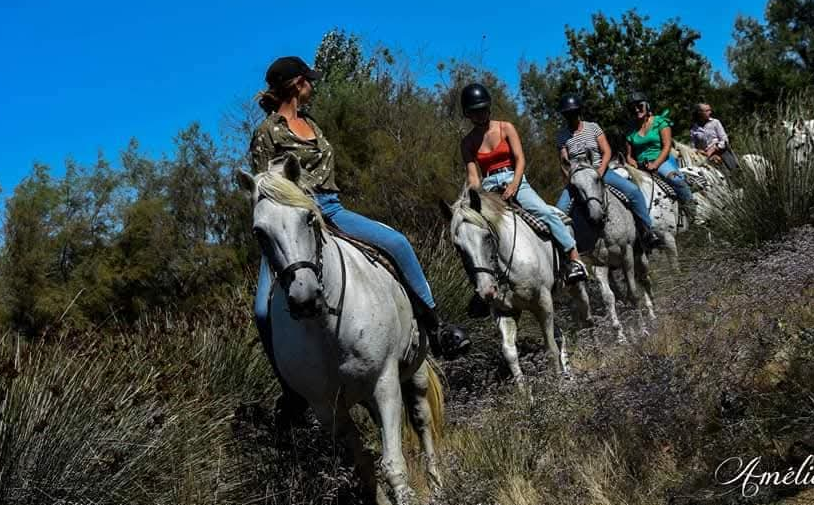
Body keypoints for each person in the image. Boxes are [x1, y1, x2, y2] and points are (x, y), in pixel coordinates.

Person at [249, 56, 470, 422]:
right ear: (296, 84)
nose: (313, 86)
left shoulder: (312, 124)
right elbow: (265, 189)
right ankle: (292, 392)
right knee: (261, 311)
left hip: (331, 209)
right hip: (290, 227)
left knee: (398, 243)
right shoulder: (267, 132)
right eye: (309, 81)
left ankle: (437, 326)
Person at [459, 83, 588, 285]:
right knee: (476, 230)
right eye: (474, 111)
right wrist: (475, 197)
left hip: (514, 178)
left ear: (489, 107)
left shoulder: (506, 128)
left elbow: (520, 159)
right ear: (468, 113)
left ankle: (574, 259)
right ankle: (486, 280)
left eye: (482, 109)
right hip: (490, 187)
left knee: (544, 212)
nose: (479, 114)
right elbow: (473, 176)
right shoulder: (467, 142)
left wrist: (514, 185)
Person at [554, 94, 663, 250]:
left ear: (579, 112)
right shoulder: (562, 136)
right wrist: (570, 178)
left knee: (633, 191)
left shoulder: (593, 127)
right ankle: (568, 253)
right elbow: (564, 161)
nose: (570, 116)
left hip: (601, 171)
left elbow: (606, 151)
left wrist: (600, 170)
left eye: (573, 112)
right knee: (559, 211)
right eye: (567, 114)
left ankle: (647, 230)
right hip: (577, 178)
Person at [624, 91, 698, 221]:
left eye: (639, 106)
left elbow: (667, 146)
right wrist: (633, 163)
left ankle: (693, 214)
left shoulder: (660, 122)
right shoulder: (630, 128)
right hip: (640, 166)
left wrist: (656, 164)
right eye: (632, 107)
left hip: (661, 160)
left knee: (677, 181)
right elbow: (629, 155)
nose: (636, 110)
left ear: (647, 105)